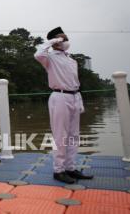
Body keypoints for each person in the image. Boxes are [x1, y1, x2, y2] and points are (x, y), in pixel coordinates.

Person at [34, 27, 93, 184]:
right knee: (61, 136)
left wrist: (79, 99)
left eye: (66, 38)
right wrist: (54, 40)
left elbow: (75, 82)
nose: (66, 41)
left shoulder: (71, 59)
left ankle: (70, 168)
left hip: (74, 96)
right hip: (59, 97)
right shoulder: (50, 58)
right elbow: (38, 53)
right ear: (55, 41)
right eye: (62, 39)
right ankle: (58, 170)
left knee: (74, 135)